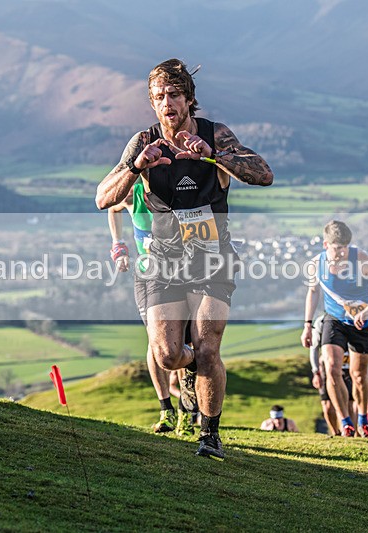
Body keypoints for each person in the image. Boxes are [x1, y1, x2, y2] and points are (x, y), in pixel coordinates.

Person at [96, 59, 274, 460]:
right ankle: (190, 367)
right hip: (161, 262)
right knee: (167, 355)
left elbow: (264, 174)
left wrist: (215, 157)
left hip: (213, 259)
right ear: (152, 103)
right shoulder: (143, 142)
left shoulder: (215, 135)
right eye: (159, 97)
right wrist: (135, 166)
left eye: (174, 94)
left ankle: (209, 437)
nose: (167, 103)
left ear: (189, 99)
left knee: (209, 346)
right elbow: (103, 198)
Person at [108, 183, 197, 436]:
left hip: (183, 276)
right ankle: (165, 409)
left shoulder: (178, 188)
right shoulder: (133, 193)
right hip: (148, 277)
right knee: (155, 340)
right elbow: (111, 208)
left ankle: (186, 413)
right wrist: (118, 246)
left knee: (180, 342)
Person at [301, 220, 368, 438]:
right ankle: (346, 423)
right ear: (326, 245)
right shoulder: (316, 264)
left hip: (361, 322)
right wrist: (307, 325)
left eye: (345, 247)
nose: (342, 252)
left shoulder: (362, 260)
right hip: (334, 319)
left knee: (358, 375)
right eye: (337, 248)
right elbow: (313, 292)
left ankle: (362, 419)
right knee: (332, 368)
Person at [309, 315, 341, 436]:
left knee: (345, 403)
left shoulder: (347, 319)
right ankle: (335, 432)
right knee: (327, 406)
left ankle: (347, 431)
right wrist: (316, 372)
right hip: (324, 369)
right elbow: (314, 348)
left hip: (343, 368)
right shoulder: (320, 322)